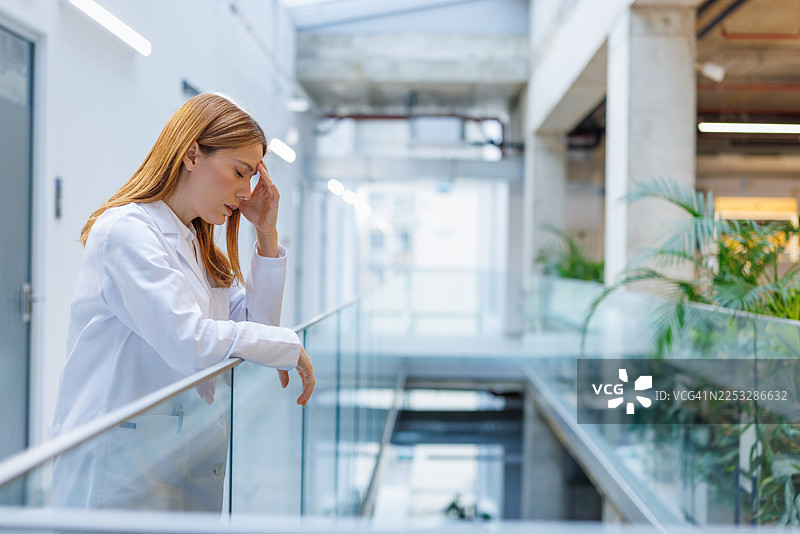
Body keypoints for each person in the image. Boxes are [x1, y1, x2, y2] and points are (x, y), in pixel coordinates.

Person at [50, 93, 314, 511]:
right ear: (191, 154)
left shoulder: (195, 245)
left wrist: (266, 234)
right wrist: (287, 346)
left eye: (252, 177)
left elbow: (258, 329)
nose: (246, 193)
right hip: (117, 466)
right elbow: (189, 342)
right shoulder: (127, 231)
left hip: (176, 453)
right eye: (239, 172)